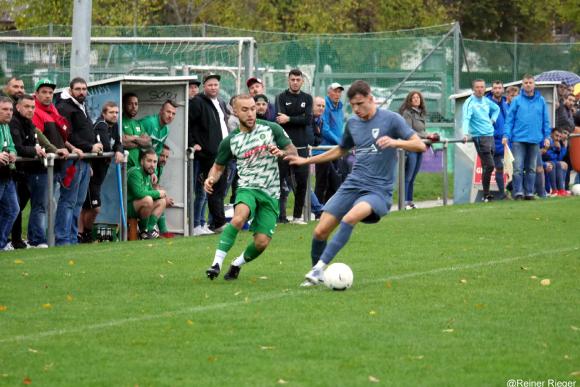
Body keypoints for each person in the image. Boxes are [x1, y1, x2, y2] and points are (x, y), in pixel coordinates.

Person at [285, 80, 426, 286]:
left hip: (378, 190)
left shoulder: (392, 119)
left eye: (361, 104)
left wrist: (396, 142)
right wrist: (306, 160)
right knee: (320, 231)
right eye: (353, 105)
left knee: (350, 217)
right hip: (353, 184)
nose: (357, 109)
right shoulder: (353, 123)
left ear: (371, 98)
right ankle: (319, 276)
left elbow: (419, 144)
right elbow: (340, 149)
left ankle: (317, 269)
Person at [204, 94, 297, 281]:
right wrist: (210, 179)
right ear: (235, 111)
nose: (250, 113)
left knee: (261, 243)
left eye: (253, 108)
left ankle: (236, 264)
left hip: (270, 192)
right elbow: (218, 167)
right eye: (245, 110)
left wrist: (281, 152)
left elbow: (292, 151)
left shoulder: (272, 129)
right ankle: (216, 264)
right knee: (239, 218)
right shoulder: (231, 140)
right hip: (247, 188)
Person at [55, 77, 103, 245]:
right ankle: (62, 239)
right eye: (78, 89)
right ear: (70, 89)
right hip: (72, 161)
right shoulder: (64, 107)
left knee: (79, 203)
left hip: (83, 161)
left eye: (84, 89)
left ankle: (73, 238)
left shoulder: (80, 105)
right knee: (68, 201)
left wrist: (89, 158)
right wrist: (90, 147)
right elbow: (68, 135)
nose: (82, 92)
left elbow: (84, 131)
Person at [9, 95, 58, 248]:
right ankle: (29, 240)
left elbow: (33, 144)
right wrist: (35, 150)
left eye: (32, 107)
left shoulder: (29, 123)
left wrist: (41, 149)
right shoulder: (13, 123)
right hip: (20, 172)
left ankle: (22, 241)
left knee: (20, 207)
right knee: (16, 208)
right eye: (27, 107)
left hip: (27, 172)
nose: (30, 110)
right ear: (18, 107)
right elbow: (19, 148)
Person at [78, 101, 124, 243]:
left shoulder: (114, 126)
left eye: (116, 112)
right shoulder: (100, 125)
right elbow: (105, 146)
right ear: (104, 114)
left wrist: (119, 151)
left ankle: (81, 235)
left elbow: (118, 143)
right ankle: (84, 233)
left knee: (87, 206)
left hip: (99, 174)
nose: (115, 115)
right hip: (92, 172)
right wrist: (114, 151)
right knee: (95, 208)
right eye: (111, 112)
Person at [189, 73, 229, 233]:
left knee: (221, 189)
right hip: (209, 154)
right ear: (204, 87)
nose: (213, 87)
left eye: (216, 85)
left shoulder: (220, 102)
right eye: (210, 85)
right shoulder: (198, 102)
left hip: (224, 151)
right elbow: (188, 124)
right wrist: (193, 143)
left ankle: (211, 222)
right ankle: (216, 223)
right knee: (210, 189)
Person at [503, 75, 550, 200]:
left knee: (531, 168)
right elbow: (509, 120)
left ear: (534, 84)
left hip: (535, 140)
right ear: (522, 85)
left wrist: (547, 137)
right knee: (518, 168)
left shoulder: (541, 101)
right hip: (518, 139)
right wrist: (506, 135)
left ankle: (529, 193)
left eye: (530, 82)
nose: (528, 84)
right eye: (526, 82)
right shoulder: (517, 100)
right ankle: (518, 192)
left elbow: (546, 121)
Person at [275, 68, 313, 224]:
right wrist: (298, 118)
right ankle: (277, 216)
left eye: (298, 80)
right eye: (293, 79)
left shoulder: (308, 98)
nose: (295, 82)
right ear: (288, 80)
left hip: (302, 147)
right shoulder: (281, 97)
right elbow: (279, 119)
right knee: (278, 182)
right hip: (284, 147)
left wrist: (289, 118)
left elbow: (308, 119)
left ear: (302, 81)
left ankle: (297, 217)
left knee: (302, 182)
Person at [463, 80, 500, 202]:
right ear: (473, 89)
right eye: (477, 87)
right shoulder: (469, 102)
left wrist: (493, 120)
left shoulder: (486, 100)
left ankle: (486, 195)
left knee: (487, 167)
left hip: (490, 135)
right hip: (479, 137)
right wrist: (465, 133)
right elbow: (466, 118)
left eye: (482, 87)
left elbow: (497, 109)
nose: (480, 89)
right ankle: (486, 193)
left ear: (485, 89)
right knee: (490, 165)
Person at [127, 148, 168, 240]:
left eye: (154, 162)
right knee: (148, 200)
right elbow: (139, 193)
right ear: (142, 161)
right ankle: (143, 231)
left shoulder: (148, 175)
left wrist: (160, 194)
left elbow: (149, 192)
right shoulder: (135, 172)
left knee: (162, 201)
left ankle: (149, 229)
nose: (152, 165)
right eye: (149, 161)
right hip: (126, 208)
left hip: (138, 207)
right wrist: (158, 193)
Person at [313, 85, 344, 204]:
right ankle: (317, 210)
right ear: (329, 92)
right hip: (323, 150)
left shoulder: (339, 107)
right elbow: (325, 130)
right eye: (335, 91)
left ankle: (326, 208)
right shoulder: (325, 106)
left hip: (335, 150)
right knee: (322, 182)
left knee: (334, 182)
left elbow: (339, 128)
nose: (338, 94)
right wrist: (340, 142)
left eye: (339, 92)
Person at [399, 91, 430, 208]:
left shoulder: (421, 113)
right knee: (408, 175)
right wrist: (425, 136)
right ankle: (404, 202)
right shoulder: (407, 113)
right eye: (414, 98)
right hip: (411, 147)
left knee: (413, 176)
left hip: (419, 147)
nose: (416, 99)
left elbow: (422, 130)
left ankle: (410, 202)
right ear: (410, 100)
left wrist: (429, 135)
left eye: (418, 97)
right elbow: (409, 131)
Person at [0, 96, 19, 251]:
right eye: (5, 109)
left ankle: (1, 243)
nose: (9, 113)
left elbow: (12, 145)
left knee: (13, 209)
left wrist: (12, 153)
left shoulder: (6, 126)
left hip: (6, 174)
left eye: (11, 110)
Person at [485, 81, 510, 199]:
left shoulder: (506, 103)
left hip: (507, 140)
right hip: (494, 141)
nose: (497, 90)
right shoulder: (487, 104)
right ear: (492, 90)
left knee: (514, 167)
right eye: (495, 88)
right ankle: (501, 193)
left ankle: (510, 191)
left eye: (499, 88)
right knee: (497, 167)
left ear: (503, 90)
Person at [121, 93, 151, 169]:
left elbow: (148, 143)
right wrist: (140, 141)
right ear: (123, 105)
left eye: (136, 104)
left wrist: (134, 138)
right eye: (130, 104)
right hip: (123, 167)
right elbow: (123, 142)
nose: (134, 107)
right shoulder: (120, 121)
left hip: (137, 168)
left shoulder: (138, 124)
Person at [154, 144, 175, 238]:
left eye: (167, 157)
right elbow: (153, 186)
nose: (165, 159)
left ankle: (163, 231)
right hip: (141, 194)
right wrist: (165, 197)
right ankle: (149, 230)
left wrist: (165, 196)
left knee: (162, 199)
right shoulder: (152, 165)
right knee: (161, 200)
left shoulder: (160, 167)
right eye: (162, 155)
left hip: (149, 192)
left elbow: (156, 184)